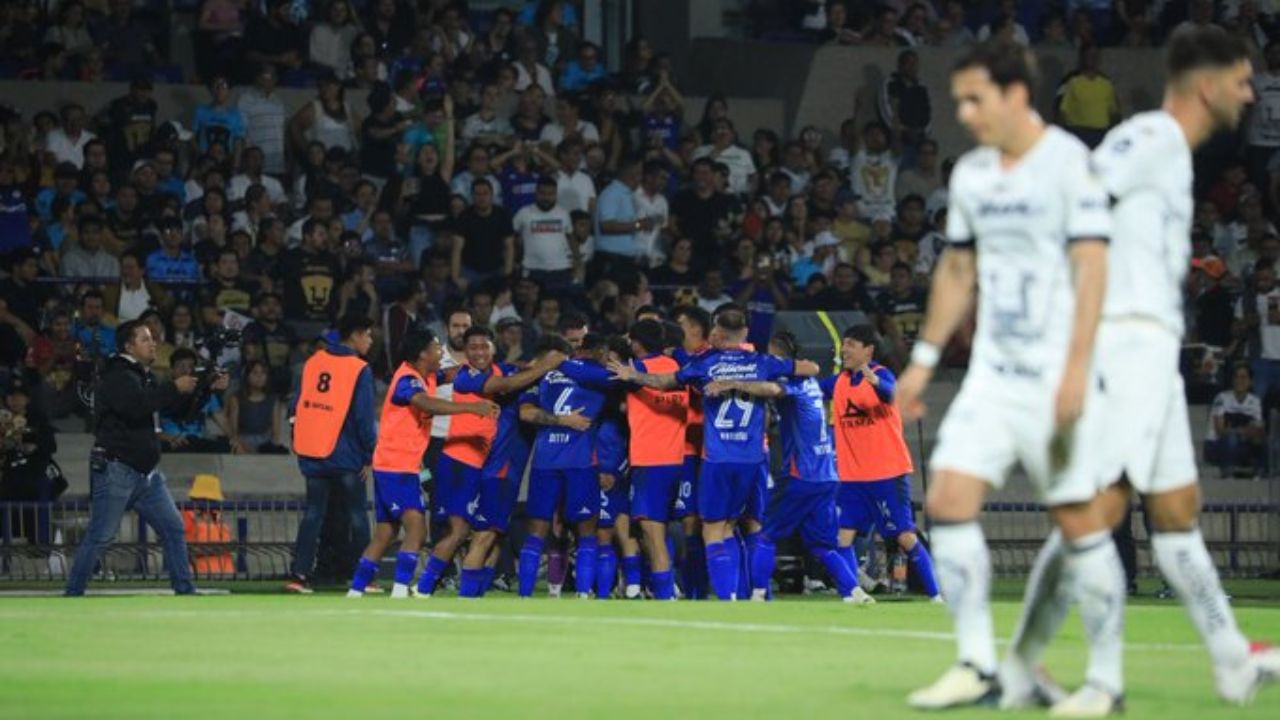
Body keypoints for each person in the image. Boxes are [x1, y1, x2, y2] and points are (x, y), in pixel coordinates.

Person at [1003, 27, 1280, 712]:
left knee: (1178, 511)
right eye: (1242, 81)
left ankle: (1229, 659)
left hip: (1152, 349)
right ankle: (1082, 677)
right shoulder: (1151, 138)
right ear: (1207, 85)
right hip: (1124, 343)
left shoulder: (1175, 156)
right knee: (1101, 507)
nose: (1251, 95)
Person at [893, 40, 1119, 712]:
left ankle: (1105, 682)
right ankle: (978, 665)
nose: (962, 112)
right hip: (993, 374)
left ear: (1016, 95)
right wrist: (924, 360)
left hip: (1058, 371)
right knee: (949, 500)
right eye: (958, 99)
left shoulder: (1069, 164)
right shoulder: (972, 177)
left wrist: (1079, 368)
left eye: (974, 99)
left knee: (1080, 522)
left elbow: (1093, 270)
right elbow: (959, 271)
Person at [610, 305, 819, 600]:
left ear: (717, 332)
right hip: (754, 459)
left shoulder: (705, 364)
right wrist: (758, 385)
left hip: (716, 459)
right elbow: (812, 369)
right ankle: (760, 592)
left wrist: (633, 375)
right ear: (745, 332)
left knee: (714, 529)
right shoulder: (762, 361)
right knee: (752, 526)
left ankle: (726, 596)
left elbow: (665, 381)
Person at [699, 330, 869, 603]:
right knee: (821, 545)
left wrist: (732, 382)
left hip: (801, 474)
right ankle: (854, 591)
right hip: (827, 474)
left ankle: (757, 595)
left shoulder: (793, 382)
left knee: (766, 536)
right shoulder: (813, 382)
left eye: (771, 355)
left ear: (780, 356)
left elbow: (771, 389)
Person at [65, 320, 227, 596]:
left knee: (174, 528)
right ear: (128, 346)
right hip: (117, 468)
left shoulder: (144, 376)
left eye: (153, 338)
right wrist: (175, 387)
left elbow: (179, 413)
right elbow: (136, 406)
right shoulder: (116, 374)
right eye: (145, 339)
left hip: (146, 474)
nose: (153, 343)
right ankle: (73, 592)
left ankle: (184, 588)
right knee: (101, 535)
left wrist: (207, 388)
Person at [348, 331, 499, 599]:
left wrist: (479, 364)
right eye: (436, 348)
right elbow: (424, 402)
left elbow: (452, 375)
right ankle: (399, 590)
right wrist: (471, 408)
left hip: (395, 464)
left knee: (385, 533)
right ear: (422, 354)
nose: (441, 353)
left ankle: (355, 590)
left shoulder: (426, 376)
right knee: (417, 528)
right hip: (397, 466)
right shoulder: (407, 379)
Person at [415, 325, 561, 597]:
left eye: (484, 346)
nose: (479, 352)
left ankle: (471, 591)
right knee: (476, 534)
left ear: (494, 348)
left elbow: (512, 373)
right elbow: (509, 390)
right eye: (473, 347)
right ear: (465, 352)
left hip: (486, 466)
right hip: (487, 467)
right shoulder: (467, 377)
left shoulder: (509, 372)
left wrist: (534, 365)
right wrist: (547, 365)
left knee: (492, 534)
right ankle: (445, 590)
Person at [820, 325, 938, 603]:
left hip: (887, 473)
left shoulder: (882, 375)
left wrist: (875, 382)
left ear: (868, 350)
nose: (844, 349)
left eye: (850, 344)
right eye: (844, 344)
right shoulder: (838, 382)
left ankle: (936, 595)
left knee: (904, 536)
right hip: (851, 477)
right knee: (843, 535)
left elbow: (892, 394)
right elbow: (810, 388)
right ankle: (854, 593)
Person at [516, 333, 616, 598]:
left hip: (545, 462)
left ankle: (525, 595)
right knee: (587, 532)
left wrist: (557, 419)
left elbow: (526, 413)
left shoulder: (540, 375)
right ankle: (584, 594)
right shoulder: (597, 374)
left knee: (537, 531)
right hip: (580, 461)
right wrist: (567, 420)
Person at [285, 315, 378, 593]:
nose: (370, 341)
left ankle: (299, 576)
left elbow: (296, 405)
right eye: (369, 335)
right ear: (357, 334)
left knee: (313, 514)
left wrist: (298, 438)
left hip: (314, 451)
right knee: (357, 516)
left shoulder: (314, 362)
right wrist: (368, 454)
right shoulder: (359, 368)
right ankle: (364, 579)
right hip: (346, 454)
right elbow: (363, 418)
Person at [616, 319, 688, 600]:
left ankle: (665, 593)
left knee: (652, 531)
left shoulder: (636, 370)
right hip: (676, 459)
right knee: (658, 530)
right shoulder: (677, 370)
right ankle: (667, 589)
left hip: (649, 461)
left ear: (636, 343)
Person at [1205, 365, 1267, 478]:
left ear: (1250, 381)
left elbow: (1257, 431)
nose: (1239, 381)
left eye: (1243, 377)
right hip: (1216, 445)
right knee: (1232, 439)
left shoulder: (1255, 401)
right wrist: (1243, 431)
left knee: (1262, 441)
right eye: (1236, 377)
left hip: (1242, 444)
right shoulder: (1221, 398)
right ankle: (1228, 474)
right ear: (1232, 380)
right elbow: (1220, 430)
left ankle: (1260, 475)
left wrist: (1244, 432)